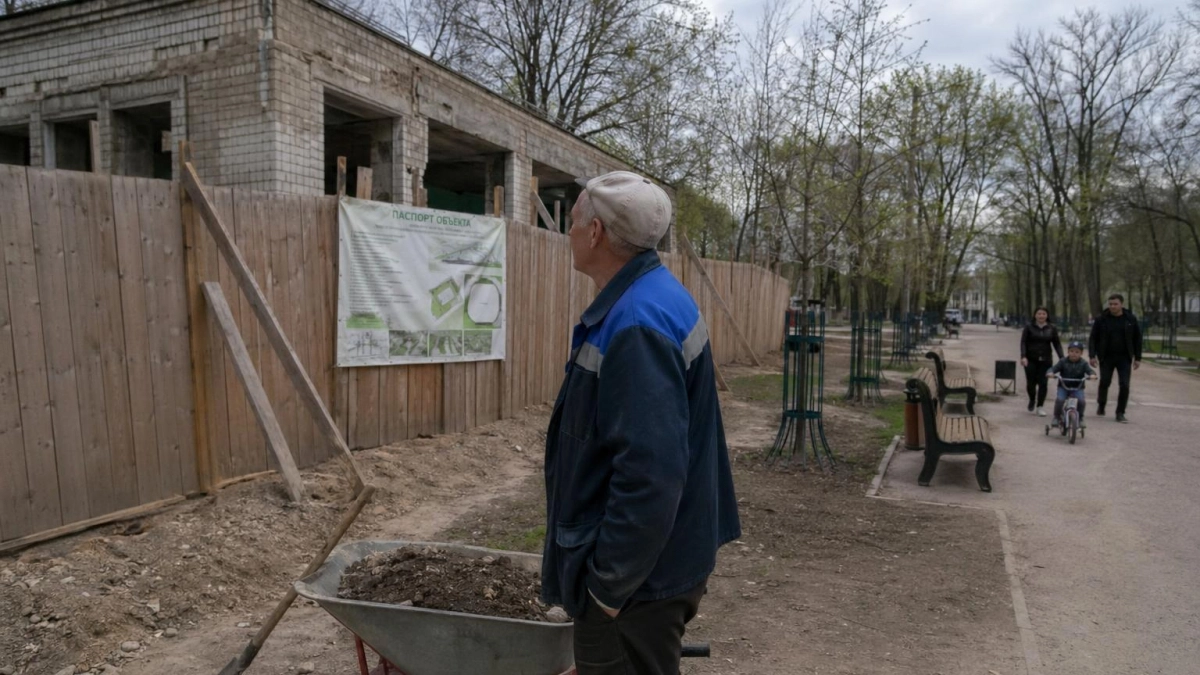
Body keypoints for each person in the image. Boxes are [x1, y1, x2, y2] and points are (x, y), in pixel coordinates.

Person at [541, 170, 741, 675]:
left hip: (637, 587)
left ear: (595, 233)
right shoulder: (656, 295)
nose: (569, 231)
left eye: (573, 221)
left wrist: (605, 592)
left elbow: (651, 475)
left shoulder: (636, 324)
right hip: (655, 569)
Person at [1087, 294, 1143, 423]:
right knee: (1105, 382)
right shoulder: (1101, 319)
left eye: (1115, 304)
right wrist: (1092, 355)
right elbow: (1093, 338)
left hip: (1124, 357)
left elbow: (1137, 338)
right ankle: (1101, 404)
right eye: (1110, 304)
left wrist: (1138, 358)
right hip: (1106, 356)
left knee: (1124, 385)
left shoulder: (1130, 319)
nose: (1112, 306)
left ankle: (1120, 412)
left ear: (1121, 304)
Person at [1019, 307, 1063, 417]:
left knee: (1043, 383)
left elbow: (1057, 344)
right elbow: (1023, 342)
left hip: (1046, 359)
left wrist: (1062, 357)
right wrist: (1023, 356)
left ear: (1047, 315)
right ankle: (1032, 399)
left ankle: (1040, 406)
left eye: (1044, 314)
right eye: (1039, 314)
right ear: (1035, 315)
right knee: (1031, 383)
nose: (1041, 316)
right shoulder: (1029, 327)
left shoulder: (1052, 328)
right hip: (1031, 359)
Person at [1047, 341, 1097, 428]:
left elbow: (1090, 371)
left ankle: (1080, 418)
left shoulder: (1083, 363)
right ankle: (1056, 417)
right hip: (1064, 386)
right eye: (1072, 351)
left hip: (1078, 387)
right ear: (1068, 352)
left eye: (1077, 352)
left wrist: (1092, 375)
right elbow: (1054, 368)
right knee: (1060, 400)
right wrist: (1050, 373)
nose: (1074, 354)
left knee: (1081, 401)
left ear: (1081, 353)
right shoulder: (1063, 361)